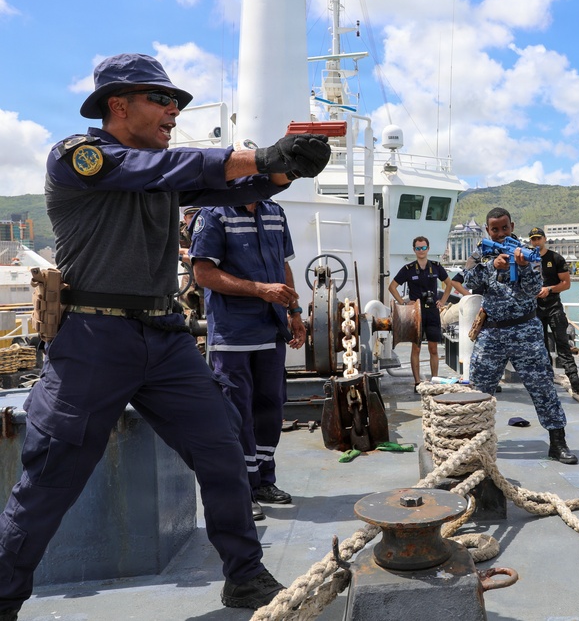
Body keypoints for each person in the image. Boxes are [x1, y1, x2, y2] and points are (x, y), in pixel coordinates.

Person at [0, 52, 332, 620]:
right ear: (117, 105)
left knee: (223, 447)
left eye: (176, 101)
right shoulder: (79, 157)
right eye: (162, 99)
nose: (174, 110)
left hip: (165, 336)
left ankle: (245, 576)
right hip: (92, 339)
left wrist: (284, 168)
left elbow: (229, 190)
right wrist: (261, 154)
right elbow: (167, 169)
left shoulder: (161, 174)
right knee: (52, 476)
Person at [190, 200, 306, 522]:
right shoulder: (213, 214)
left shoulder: (275, 212)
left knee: (271, 405)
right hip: (233, 335)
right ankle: (242, 489)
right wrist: (259, 290)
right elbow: (203, 273)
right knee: (235, 412)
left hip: (270, 329)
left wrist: (295, 312)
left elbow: (283, 266)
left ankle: (264, 482)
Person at [464, 208, 578, 465]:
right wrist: (491, 265)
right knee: (479, 388)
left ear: (512, 225)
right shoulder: (480, 253)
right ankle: (473, 442)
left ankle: (557, 442)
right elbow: (469, 280)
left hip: (524, 330)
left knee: (543, 387)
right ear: (488, 230)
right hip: (491, 332)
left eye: (505, 228)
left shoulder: (529, 253)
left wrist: (523, 266)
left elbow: (534, 289)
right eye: (495, 229)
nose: (501, 233)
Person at [528, 226, 579, 393]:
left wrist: (549, 289)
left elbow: (566, 284)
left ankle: (574, 379)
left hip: (553, 307)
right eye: (533, 239)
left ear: (544, 239)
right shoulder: (527, 260)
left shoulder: (555, 258)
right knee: (540, 346)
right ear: (530, 241)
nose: (536, 242)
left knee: (562, 343)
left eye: (539, 238)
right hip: (535, 309)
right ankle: (546, 380)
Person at [388, 237, 454, 392]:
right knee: (416, 348)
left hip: (432, 311)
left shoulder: (436, 267)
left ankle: (435, 380)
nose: (421, 251)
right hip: (416, 313)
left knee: (433, 349)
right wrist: (404, 303)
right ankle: (417, 382)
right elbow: (392, 287)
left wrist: (442, 301)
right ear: (414, 250)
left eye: (423, 248)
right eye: (418, 248)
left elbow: (449, 284)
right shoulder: (408, 269)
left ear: (428, 249)